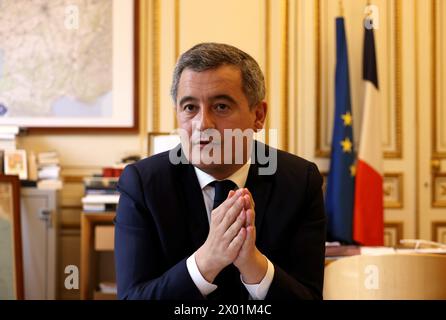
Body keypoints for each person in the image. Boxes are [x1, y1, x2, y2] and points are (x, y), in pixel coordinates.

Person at [114, 42, 326, 300]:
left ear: (258, 115)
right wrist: (207, 260)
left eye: (221, 106)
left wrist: (254, 265)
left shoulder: (300, 182)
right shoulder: (143, 184)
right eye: (190, 107)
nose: (203, 124)